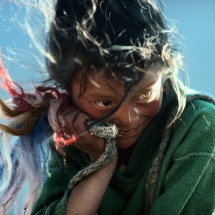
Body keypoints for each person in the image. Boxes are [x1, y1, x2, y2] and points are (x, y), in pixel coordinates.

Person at [0, 0, 215, 214]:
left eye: (145, 95)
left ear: (164, 66)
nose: (128, 119)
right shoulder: (76, 135)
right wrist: (101, 165)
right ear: (69, 91)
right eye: (105, 103)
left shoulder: (200, 128)